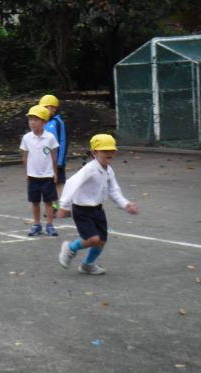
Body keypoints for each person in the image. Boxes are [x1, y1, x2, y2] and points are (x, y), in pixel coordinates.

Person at [57, 134, 139, 275]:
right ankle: (70, 248)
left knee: (101, 241)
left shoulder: (109, 170)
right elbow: (71, 184)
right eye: (105, 150)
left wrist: (126, 204)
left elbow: (114, 191)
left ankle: (87, 265)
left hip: (98, 210)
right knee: (93, 239)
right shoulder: (89, 169)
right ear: (95, 152)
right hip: (82, 210)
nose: (109, 153)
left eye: (111, 150)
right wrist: (64, 206)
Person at [20, 105, 59, 236]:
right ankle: (36, 224)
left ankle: (50, 224)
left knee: (48, 201)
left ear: (44, 122)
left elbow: (54, 157)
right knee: (35, 202)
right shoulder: (26, 138)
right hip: (33, 176)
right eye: (30, 119)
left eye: (36, 119)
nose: (32, 122)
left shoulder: (50, 137)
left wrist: (55, 173)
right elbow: (25, 157)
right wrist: (26, 173)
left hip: (47, 175)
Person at [39, 95, 68, 202]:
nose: (44, 110)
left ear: (54, 108)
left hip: (57, 160)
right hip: (46, 160)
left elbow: (63, 141)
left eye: (46, 107)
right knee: (49, 183)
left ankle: (65, 207)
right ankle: (54, 207)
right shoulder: (44, 123)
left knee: (60, 182)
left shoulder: (58, 122)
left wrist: (60, 161)